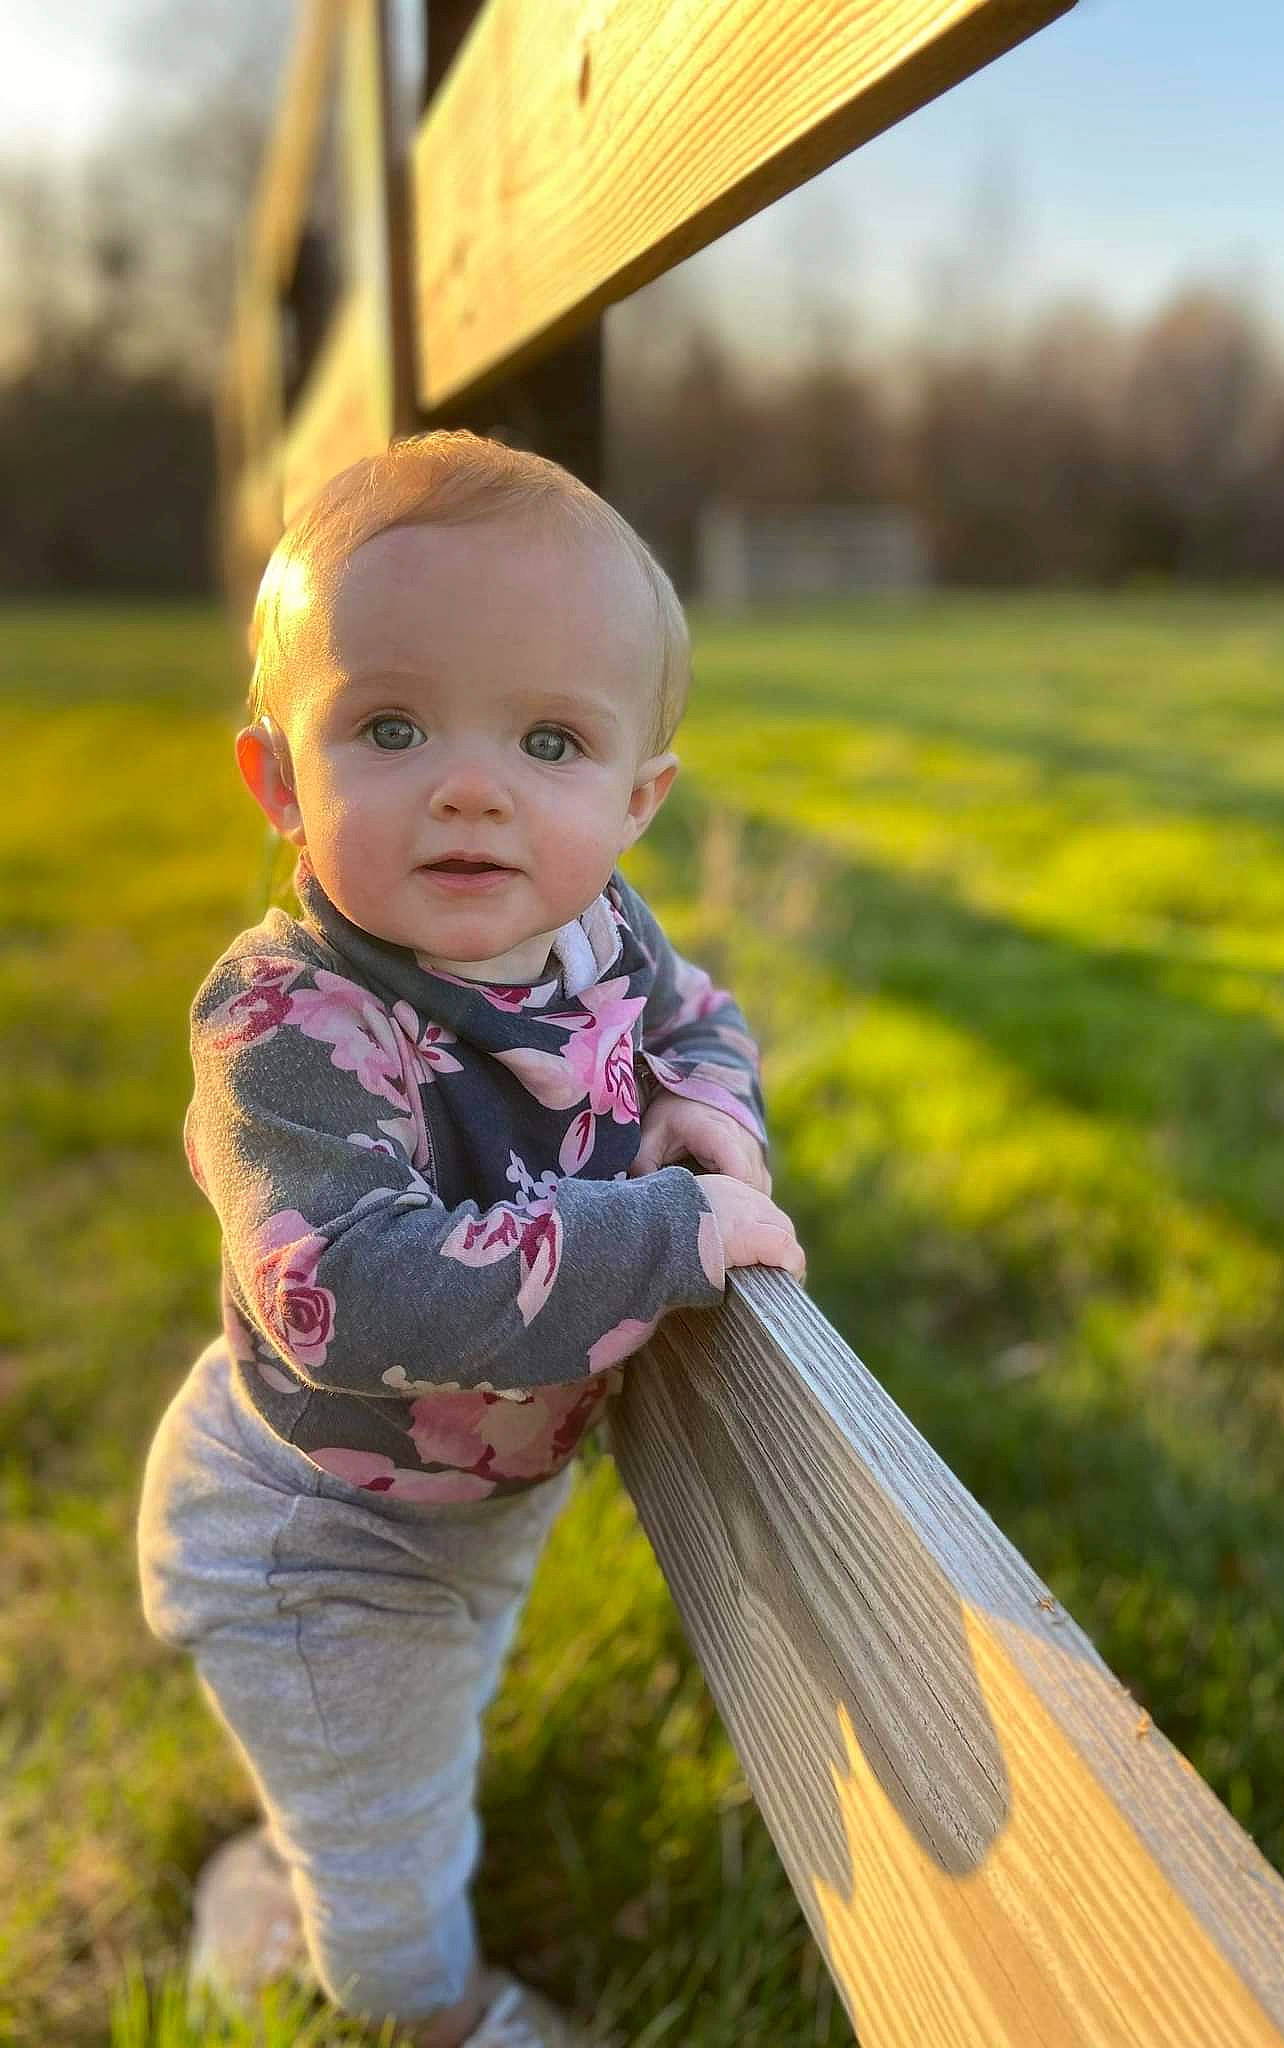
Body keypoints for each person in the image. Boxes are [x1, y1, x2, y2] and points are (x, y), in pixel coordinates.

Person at [136, 430, 806, 2048]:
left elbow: (696, 1017)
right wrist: (663, 1232)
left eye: (549, 740)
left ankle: (273, 1884)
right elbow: (346, 1290)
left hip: (463, 1509)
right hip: (317, 1533)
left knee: (401, 1761)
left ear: (636, 801)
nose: (470, 786)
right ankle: (422, 2012)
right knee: (392, 1855)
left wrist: (711, 1108)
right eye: (390, 726)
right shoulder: (290, 1020)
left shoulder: (593, 927)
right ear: (280, 781)